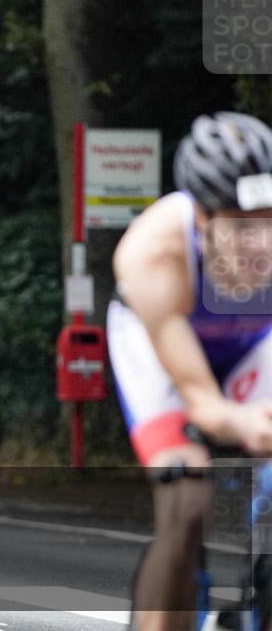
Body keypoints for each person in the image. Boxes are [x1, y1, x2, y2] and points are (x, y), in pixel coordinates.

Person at [108, 112, 272, 631]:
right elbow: (200, 402)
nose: (262, 245)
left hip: (252, 340)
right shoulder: (150, 252)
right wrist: (246, 425)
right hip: (162, 340)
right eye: (243, 229)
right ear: (202, 219)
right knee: (186, 502)